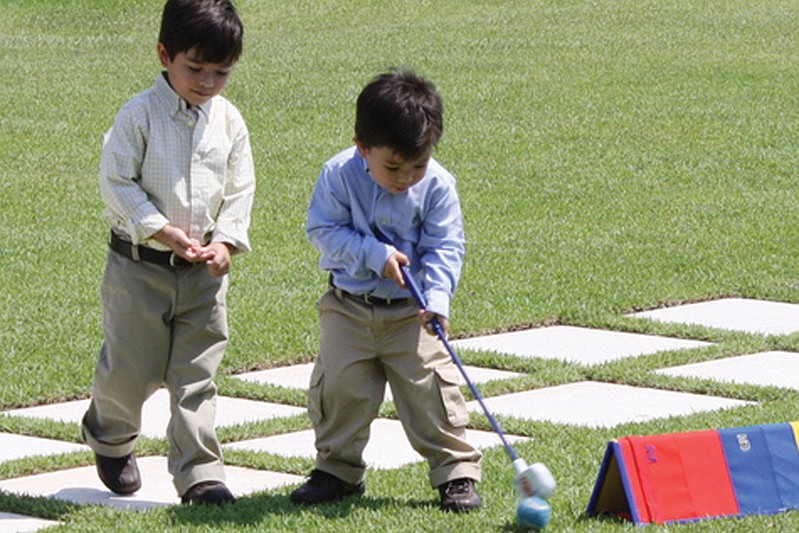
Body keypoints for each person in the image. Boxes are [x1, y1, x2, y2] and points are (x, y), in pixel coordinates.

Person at [81, 0, 254, 505]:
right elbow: (116, 181)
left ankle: (199, 473)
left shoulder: (229, 121)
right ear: (165, 54)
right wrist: (159, 229)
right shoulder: (138, 115)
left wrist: (225, 240)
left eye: (221, 72)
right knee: (130, 371)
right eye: (195, 68)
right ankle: (110, 435)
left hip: (204, 277)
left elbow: (240, 189)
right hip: (139, 269)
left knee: (196, 377)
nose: (207, 82)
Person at [294, 69, 482, 512]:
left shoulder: (436, 184)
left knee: (431, 391)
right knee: (340, 389)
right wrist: (374, 254)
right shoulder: (338, 175)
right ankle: (336, 470)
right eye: (393, 167)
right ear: (363, 148)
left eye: (417, 165)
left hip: (410, 316)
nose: (405, 178)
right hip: (348, 307)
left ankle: (455, 472)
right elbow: (322, 230)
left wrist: (436, 300)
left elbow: (444, 247)